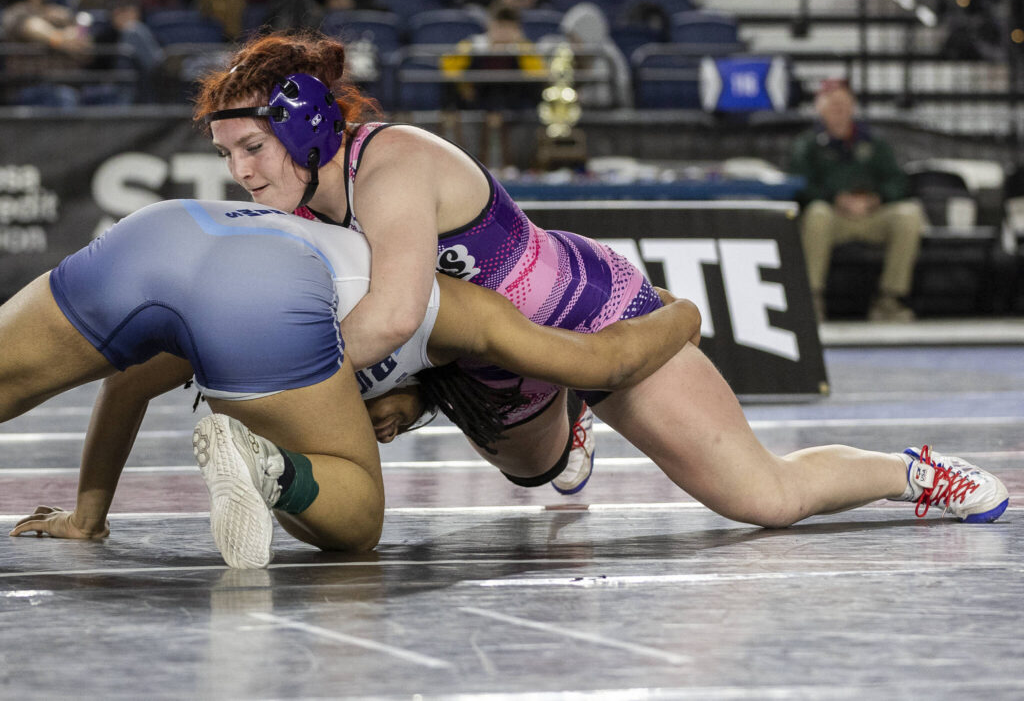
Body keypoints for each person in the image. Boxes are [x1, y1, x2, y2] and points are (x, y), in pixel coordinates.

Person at [191, 32, 1009, 535]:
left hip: (588, 316)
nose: (241, 173)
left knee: (764, 499)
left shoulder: (392, 164)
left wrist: (271, 383)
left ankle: (910, 473)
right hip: (482, 359)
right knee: (531, 475)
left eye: (252, 148)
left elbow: (394, 316)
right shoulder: (301, 209)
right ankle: (566, 418)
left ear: (305, 123)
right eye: (227, 155)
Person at [5, 198, 700, 569]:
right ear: (440, 385)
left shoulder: (351, 281)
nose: (387, 429)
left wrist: (88, 517)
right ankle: (271, 467)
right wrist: (684, 314)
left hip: (160, 230)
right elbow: (603, 364)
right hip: (261, 279)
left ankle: (271, 462)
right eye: (405, 416)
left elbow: (125, 385)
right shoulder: (461, 312)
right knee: (358, 521)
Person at [789, 79, 926, 323]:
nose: (839, 109)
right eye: (832, 104)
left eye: (843, 104)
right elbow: (801, 185)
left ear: (852, 106)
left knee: (909, 214)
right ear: (819, 108)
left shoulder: (873, 142)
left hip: (871, 215)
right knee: (817, 213)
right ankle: (812, 300)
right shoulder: (807, 145)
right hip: (833, 217)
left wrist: (876, 199)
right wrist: (835, 199)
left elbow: (897, 181)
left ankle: (889, 300)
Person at [0, 0, 93, 106]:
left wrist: (75, 35)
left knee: (108, 96)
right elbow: (36, 29)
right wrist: (61, 38)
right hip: (33, 87)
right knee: (63, 97)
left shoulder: (56, 13)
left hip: (70, 85)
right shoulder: (16, 12)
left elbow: (84, 46)